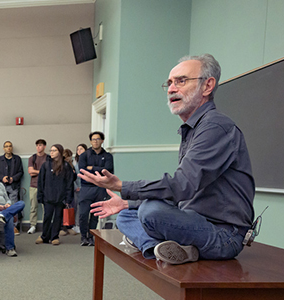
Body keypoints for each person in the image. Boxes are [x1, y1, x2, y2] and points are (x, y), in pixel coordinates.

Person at [82, 53, 255, 265]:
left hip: (224, 235)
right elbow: (182, 194)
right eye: (170, 83)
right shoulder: (192, 129)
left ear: (208, 86)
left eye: (181, 81)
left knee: (149, 211)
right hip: (193, 220)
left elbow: (182, 186)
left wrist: (122, 186)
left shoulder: (215, 127)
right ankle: (161, 249)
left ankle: (154, 243)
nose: (172, 89)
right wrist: (128, 202)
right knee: (126, 215)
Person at [77, 131, 113, 246]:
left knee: (95, 215)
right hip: (86, 188)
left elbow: (107, 171)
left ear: (102, 141)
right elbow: (83, 170)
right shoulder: (84, 155)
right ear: (90, 141)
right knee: (83, 214)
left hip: (100, 188)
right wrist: (98, 169)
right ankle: (84, 236)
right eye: (93, 139)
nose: (95, 141)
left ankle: (92, 236)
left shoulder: (108, 156)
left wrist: (92, 167)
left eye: (98, 139)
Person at [37, 144, 75, 246]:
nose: (52, 152)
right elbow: (41, 182)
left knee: (58, 217)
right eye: (51, 150)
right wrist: (40, 196)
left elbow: (69, 183)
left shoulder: (66, 166)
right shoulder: (45, 165)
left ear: (60, 152)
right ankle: (44, 236)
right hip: (48, 197)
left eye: (54, 150)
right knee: (47, 217)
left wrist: (68, 198)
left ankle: (54, 237)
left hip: (60, 198)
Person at [27, 139, 48, 234]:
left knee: (46, 207)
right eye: (37, 145)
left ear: (44, 146)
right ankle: (32, 226)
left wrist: (37, 171)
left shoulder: (48, 158)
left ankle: (46, 226)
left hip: (46, 186)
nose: (38, 147)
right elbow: (30, 172)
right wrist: (42, 172)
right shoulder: (32, 158)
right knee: (33, 207)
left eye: (40, 145)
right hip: (34, 185)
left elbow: (50, 173)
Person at [0, 141, 24, 206]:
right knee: (2, 205)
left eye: (10, 146)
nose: (8, 148)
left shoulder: (17, 159)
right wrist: (2, 178)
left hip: (13, 186)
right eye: (6, 146)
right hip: (1, 187)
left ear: (12, 148)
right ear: (3, 148)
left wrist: (13, 178)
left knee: (13, 206)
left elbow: (21, 172)